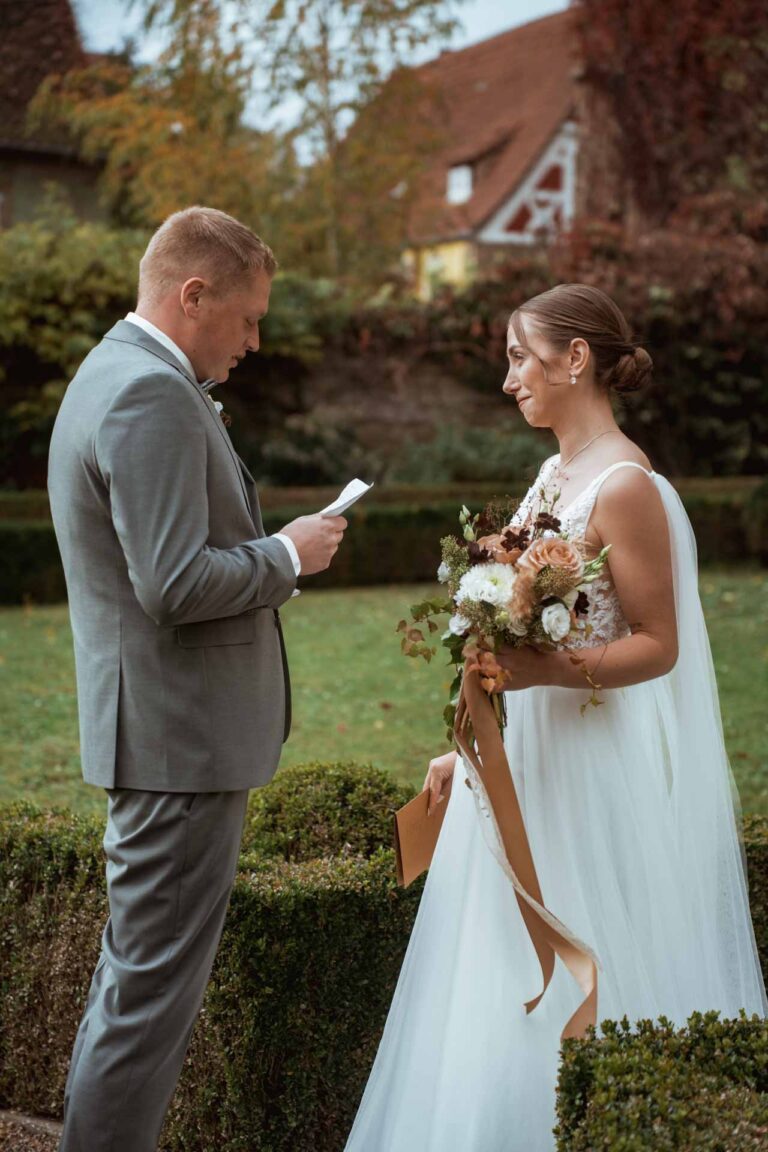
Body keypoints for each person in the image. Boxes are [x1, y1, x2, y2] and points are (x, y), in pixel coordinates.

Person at [343, 283, 767, 1151]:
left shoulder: (627, 486)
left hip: (588, 767)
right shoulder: (552, 475)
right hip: (522, 754)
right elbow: (517, 624)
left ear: (575, 359)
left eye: (518, 356)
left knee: (590, 935)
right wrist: (469, 737)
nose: (508, 381)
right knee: (490, 964)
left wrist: (544, 670)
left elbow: (659, 644)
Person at [47, 206, 347, 1152]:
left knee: (134, 986)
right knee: (145, 1006)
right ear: (193, 294)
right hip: (178, 743)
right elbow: (174, 584)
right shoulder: (149, 394)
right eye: (248, 317)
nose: (255, 340)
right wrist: (289, 555)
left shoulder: (113, 373)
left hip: (163, 735)